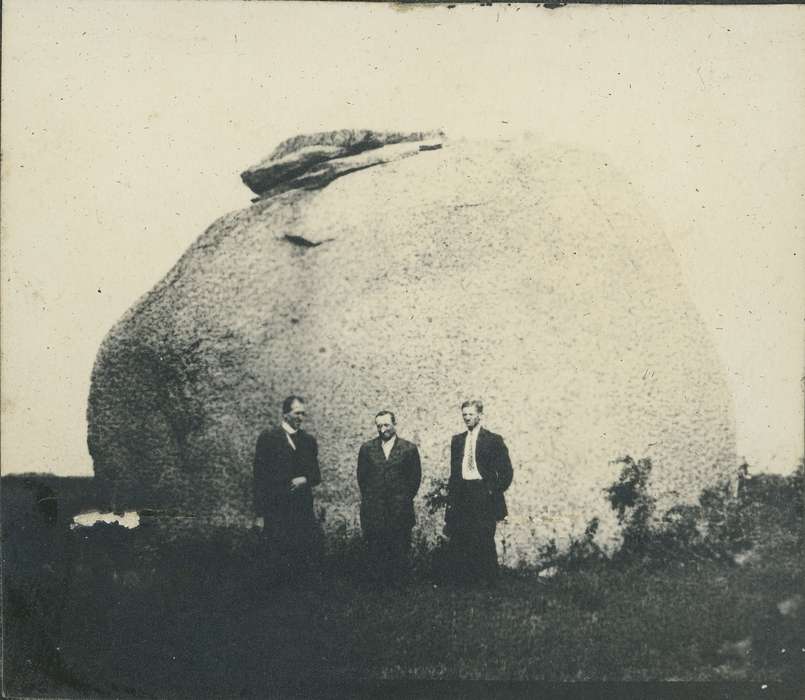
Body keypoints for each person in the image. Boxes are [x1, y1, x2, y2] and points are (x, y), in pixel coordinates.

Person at [253, 395, 322, 587]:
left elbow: (316, 475)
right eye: (297, 413)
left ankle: (297, 600)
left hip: (301, 510)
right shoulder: (268, 439)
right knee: (276, 556)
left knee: (300, 556)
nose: (301, 417)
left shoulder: (308, 441)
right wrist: (259, 514)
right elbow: (259, 478)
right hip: (276, 509)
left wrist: (304, 479)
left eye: (303, 414)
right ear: (285, 414)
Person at [444, 400, 513, 584]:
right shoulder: (457, 441)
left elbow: (506, 472)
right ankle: (466, 580)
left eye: (471, 414)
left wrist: (492, 490)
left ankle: (488, 581)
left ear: (480, 415)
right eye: (464, 414)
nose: (467, 418)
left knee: (484, 535)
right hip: (463, 493)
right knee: (463, 535)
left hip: (483, 493)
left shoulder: (493, 440)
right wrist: (452, 498)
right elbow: (454, 472)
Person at [357, 410, 422, 588]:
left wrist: (403, 498)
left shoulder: (408, 449)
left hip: (399, 508)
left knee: (399, 546)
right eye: (379, 426)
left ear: (394, 424)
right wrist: (372, 498)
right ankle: (377, 586)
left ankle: (398, 586)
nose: (382, 429)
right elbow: (362, 478)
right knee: (376, 547)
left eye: (386, 425)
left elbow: (415, 478)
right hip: (375, 508)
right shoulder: (367, 449)